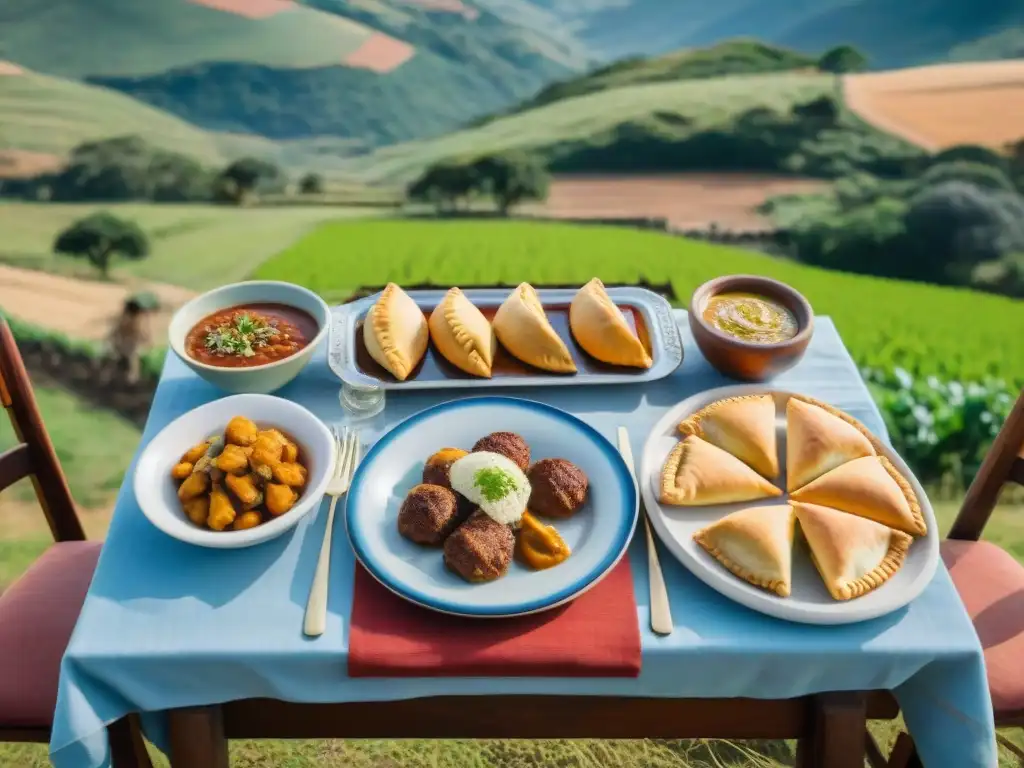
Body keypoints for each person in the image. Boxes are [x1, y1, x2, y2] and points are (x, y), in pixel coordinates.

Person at [107, 297, 152, 384]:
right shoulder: (125, 320)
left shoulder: (134, 321)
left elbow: (143, 336)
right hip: (123, 345)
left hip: (128, 346)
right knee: (119, 359)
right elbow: (115, 332)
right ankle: (127, 377)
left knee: (131, 359)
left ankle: (131, 378)